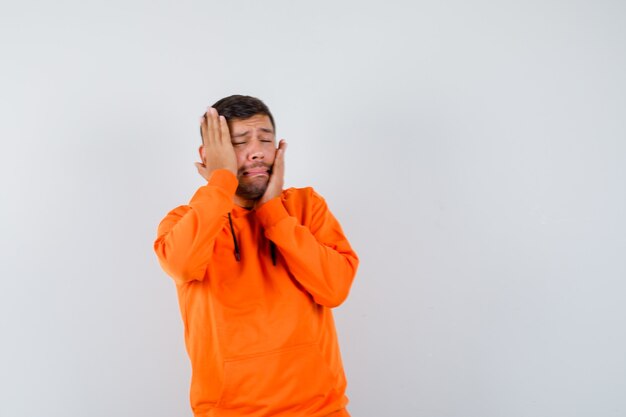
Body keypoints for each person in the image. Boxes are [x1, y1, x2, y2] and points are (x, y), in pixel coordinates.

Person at [153, 95, 359, 417]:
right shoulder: (183, 222)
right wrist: (221, 182)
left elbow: (335, 288)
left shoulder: (306, 207)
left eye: (266, 139)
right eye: (238, 142)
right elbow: (182, 263)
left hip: (322, 410)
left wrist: (273, 213)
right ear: (209, 155)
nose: (257, 151)